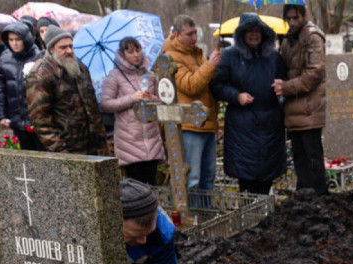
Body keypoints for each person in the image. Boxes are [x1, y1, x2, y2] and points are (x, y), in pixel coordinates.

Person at [210, 13, 287, 195]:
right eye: (250, 31)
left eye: (257, 31)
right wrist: (236, 96)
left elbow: (284, 81)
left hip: (270, 125)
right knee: (247, 179)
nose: (254, 35)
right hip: (242, 126)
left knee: (267, 176)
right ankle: (249, 209)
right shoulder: (229, 56)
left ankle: (265, 208)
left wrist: (281, 89)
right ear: (242, 33)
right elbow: (216, 85)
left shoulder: (274, 57)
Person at [161, 15, 220, 208]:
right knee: (192, 178)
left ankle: (206, 214)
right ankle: (192, 217)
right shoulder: (171, 57)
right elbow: (190, 85)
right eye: (189, 34)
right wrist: (210, 65)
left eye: (195, 33)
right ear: (177, 35)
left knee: (208, 177)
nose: (194, 37)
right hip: (190, 126)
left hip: (207, 124)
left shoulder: (197, 53)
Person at [26, 25, 108, 155]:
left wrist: (102, 143)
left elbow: (92, 107)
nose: (69, 51)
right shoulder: (41, 74)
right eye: (63, 48)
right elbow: (40, 120)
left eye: (70, 46)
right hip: (67, 149)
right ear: (51, 49)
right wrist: (60, 151)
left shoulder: (80, 68)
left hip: (92, 145)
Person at [273, 5, 327, 197]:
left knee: (313, 160)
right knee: (300, 160)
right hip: (293, 111)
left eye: (295, 18)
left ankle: (319, 198)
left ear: (304, 15)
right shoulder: (288, 40)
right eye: (288, 19)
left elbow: (314, 72)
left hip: (309, 110)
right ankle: (304, 198)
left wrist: (286, 87)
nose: (292, 22)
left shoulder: (312, 37)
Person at [101, 36, 164, 185]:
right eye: (130, 52)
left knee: (152, 185)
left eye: (138, 50)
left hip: (151, 138)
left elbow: (161, 103)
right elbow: (106, 104)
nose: (136, 55)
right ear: (122, 55)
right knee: (136, 186)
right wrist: (132, 98)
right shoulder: (114, 76)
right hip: (129, 140)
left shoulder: (150, 76)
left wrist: (150, 98)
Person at [0, 21, 43, 151]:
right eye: (11, 40)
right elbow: (0, 87)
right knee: (25, 152)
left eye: (18, 39)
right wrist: (2, 114)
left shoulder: (39, 56)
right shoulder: (5, 59)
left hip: (37, 116)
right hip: (16, 115)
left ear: (26, 39)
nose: (14, 43)